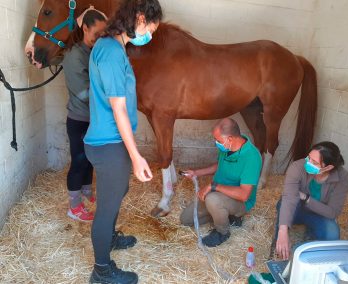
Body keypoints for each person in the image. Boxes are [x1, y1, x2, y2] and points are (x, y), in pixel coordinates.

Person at [83, 0, 163, 283]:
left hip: (109, 142)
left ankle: (110, 238)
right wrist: (136, 155)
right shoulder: (111, 52)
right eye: (150, 29)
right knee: (106, 207)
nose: (149, 36)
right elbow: (117, 107)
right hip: (109, 143)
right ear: (139, 18)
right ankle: (101, 272)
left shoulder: (113, 48)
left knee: (116, 193)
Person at [180, 118, 262, 247]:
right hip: (218, 194)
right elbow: (219, 166)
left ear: (229, 139)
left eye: (218, 140)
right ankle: (226, 216)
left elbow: (244, 195)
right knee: (185, 219)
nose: (216, 143)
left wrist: (213, 186)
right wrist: (196, 173)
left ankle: (222, 232)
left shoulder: (252, 157)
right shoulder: (227, 147)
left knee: (212, 199)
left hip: (239, 201)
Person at [62, 7, 107, 222]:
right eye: (96, 34)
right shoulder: (74, 55)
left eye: (103, 35)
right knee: (79, 161)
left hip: (92, 119)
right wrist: (111, 98)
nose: (100, 39)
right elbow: (83, 92)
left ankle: (87, 192)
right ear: (85, 28)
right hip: (79, 119)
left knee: (89, 159)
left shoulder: (92, 52)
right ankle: (74, 205)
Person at [274, 141, 348, 260]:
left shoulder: (343, 177)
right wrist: (282, 230)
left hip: (318, 213)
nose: (308, 163)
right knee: (282, 224)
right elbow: (289, 198)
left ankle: (314, 258)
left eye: (314, 162)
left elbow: (332, 212)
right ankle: (278, 251)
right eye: (308, 158)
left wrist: (306, 198)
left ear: (328, 167)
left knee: (332, 233)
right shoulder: (297, 167)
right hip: (296, 207)